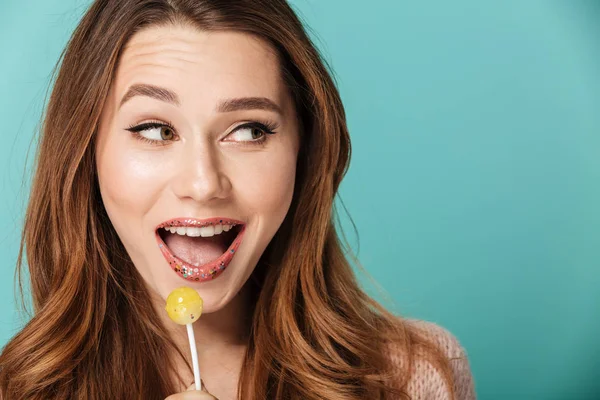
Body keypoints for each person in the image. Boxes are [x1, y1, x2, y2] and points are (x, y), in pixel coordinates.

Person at [0, 1, 475, 399]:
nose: (204, 183)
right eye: (155, 130)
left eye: (249, 131)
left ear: (302, 153)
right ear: (86, 154)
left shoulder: (415, 376)